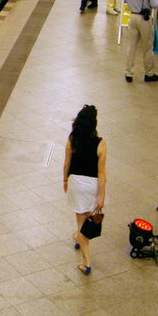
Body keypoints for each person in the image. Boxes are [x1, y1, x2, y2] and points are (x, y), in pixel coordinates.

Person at [62, 105, 107, 275]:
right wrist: (102, 195)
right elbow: (101, 172)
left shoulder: (72, 140)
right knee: (88, 216)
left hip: (76, 183)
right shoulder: (101, 144)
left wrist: (65, 179)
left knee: (81, 222)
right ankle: (78, 237)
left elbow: (67, 163)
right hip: (92, 185)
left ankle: (86, 262)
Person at [124, 0, 158, 83]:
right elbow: (154, 4)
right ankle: (149, 73)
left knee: (131, 46)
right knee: (147, 47)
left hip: (132, 16)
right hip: (144, 19)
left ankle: (128, 73)